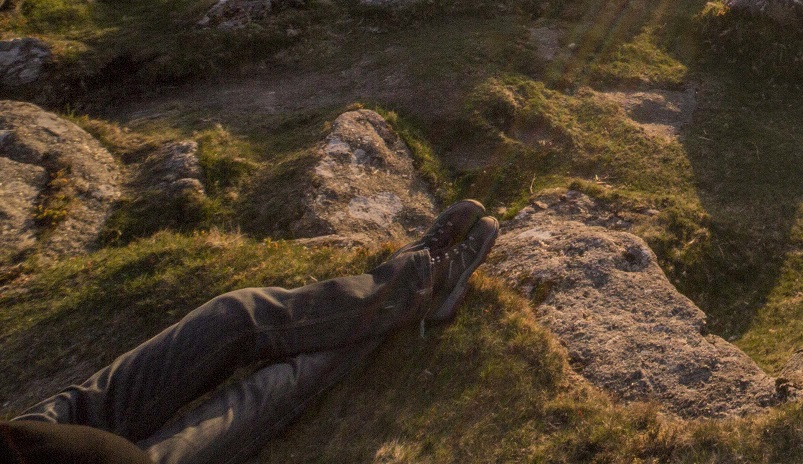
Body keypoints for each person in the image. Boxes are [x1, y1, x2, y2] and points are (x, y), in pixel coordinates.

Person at [2, 201, 499, 464]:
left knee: (233, 315)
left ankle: (398, 284)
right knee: (276, 384)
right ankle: (423, 290)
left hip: (40, 431)